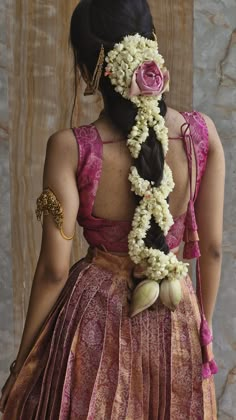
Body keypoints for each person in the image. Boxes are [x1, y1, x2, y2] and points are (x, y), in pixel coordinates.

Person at [0, 0, 225, 418]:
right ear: (150, 51)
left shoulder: (71, 149)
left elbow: (54, 269)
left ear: (89, 71)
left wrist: (23, 363)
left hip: (95, 322)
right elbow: (210, 249)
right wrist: (201, 330)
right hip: (177, 313)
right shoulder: (200, 134)